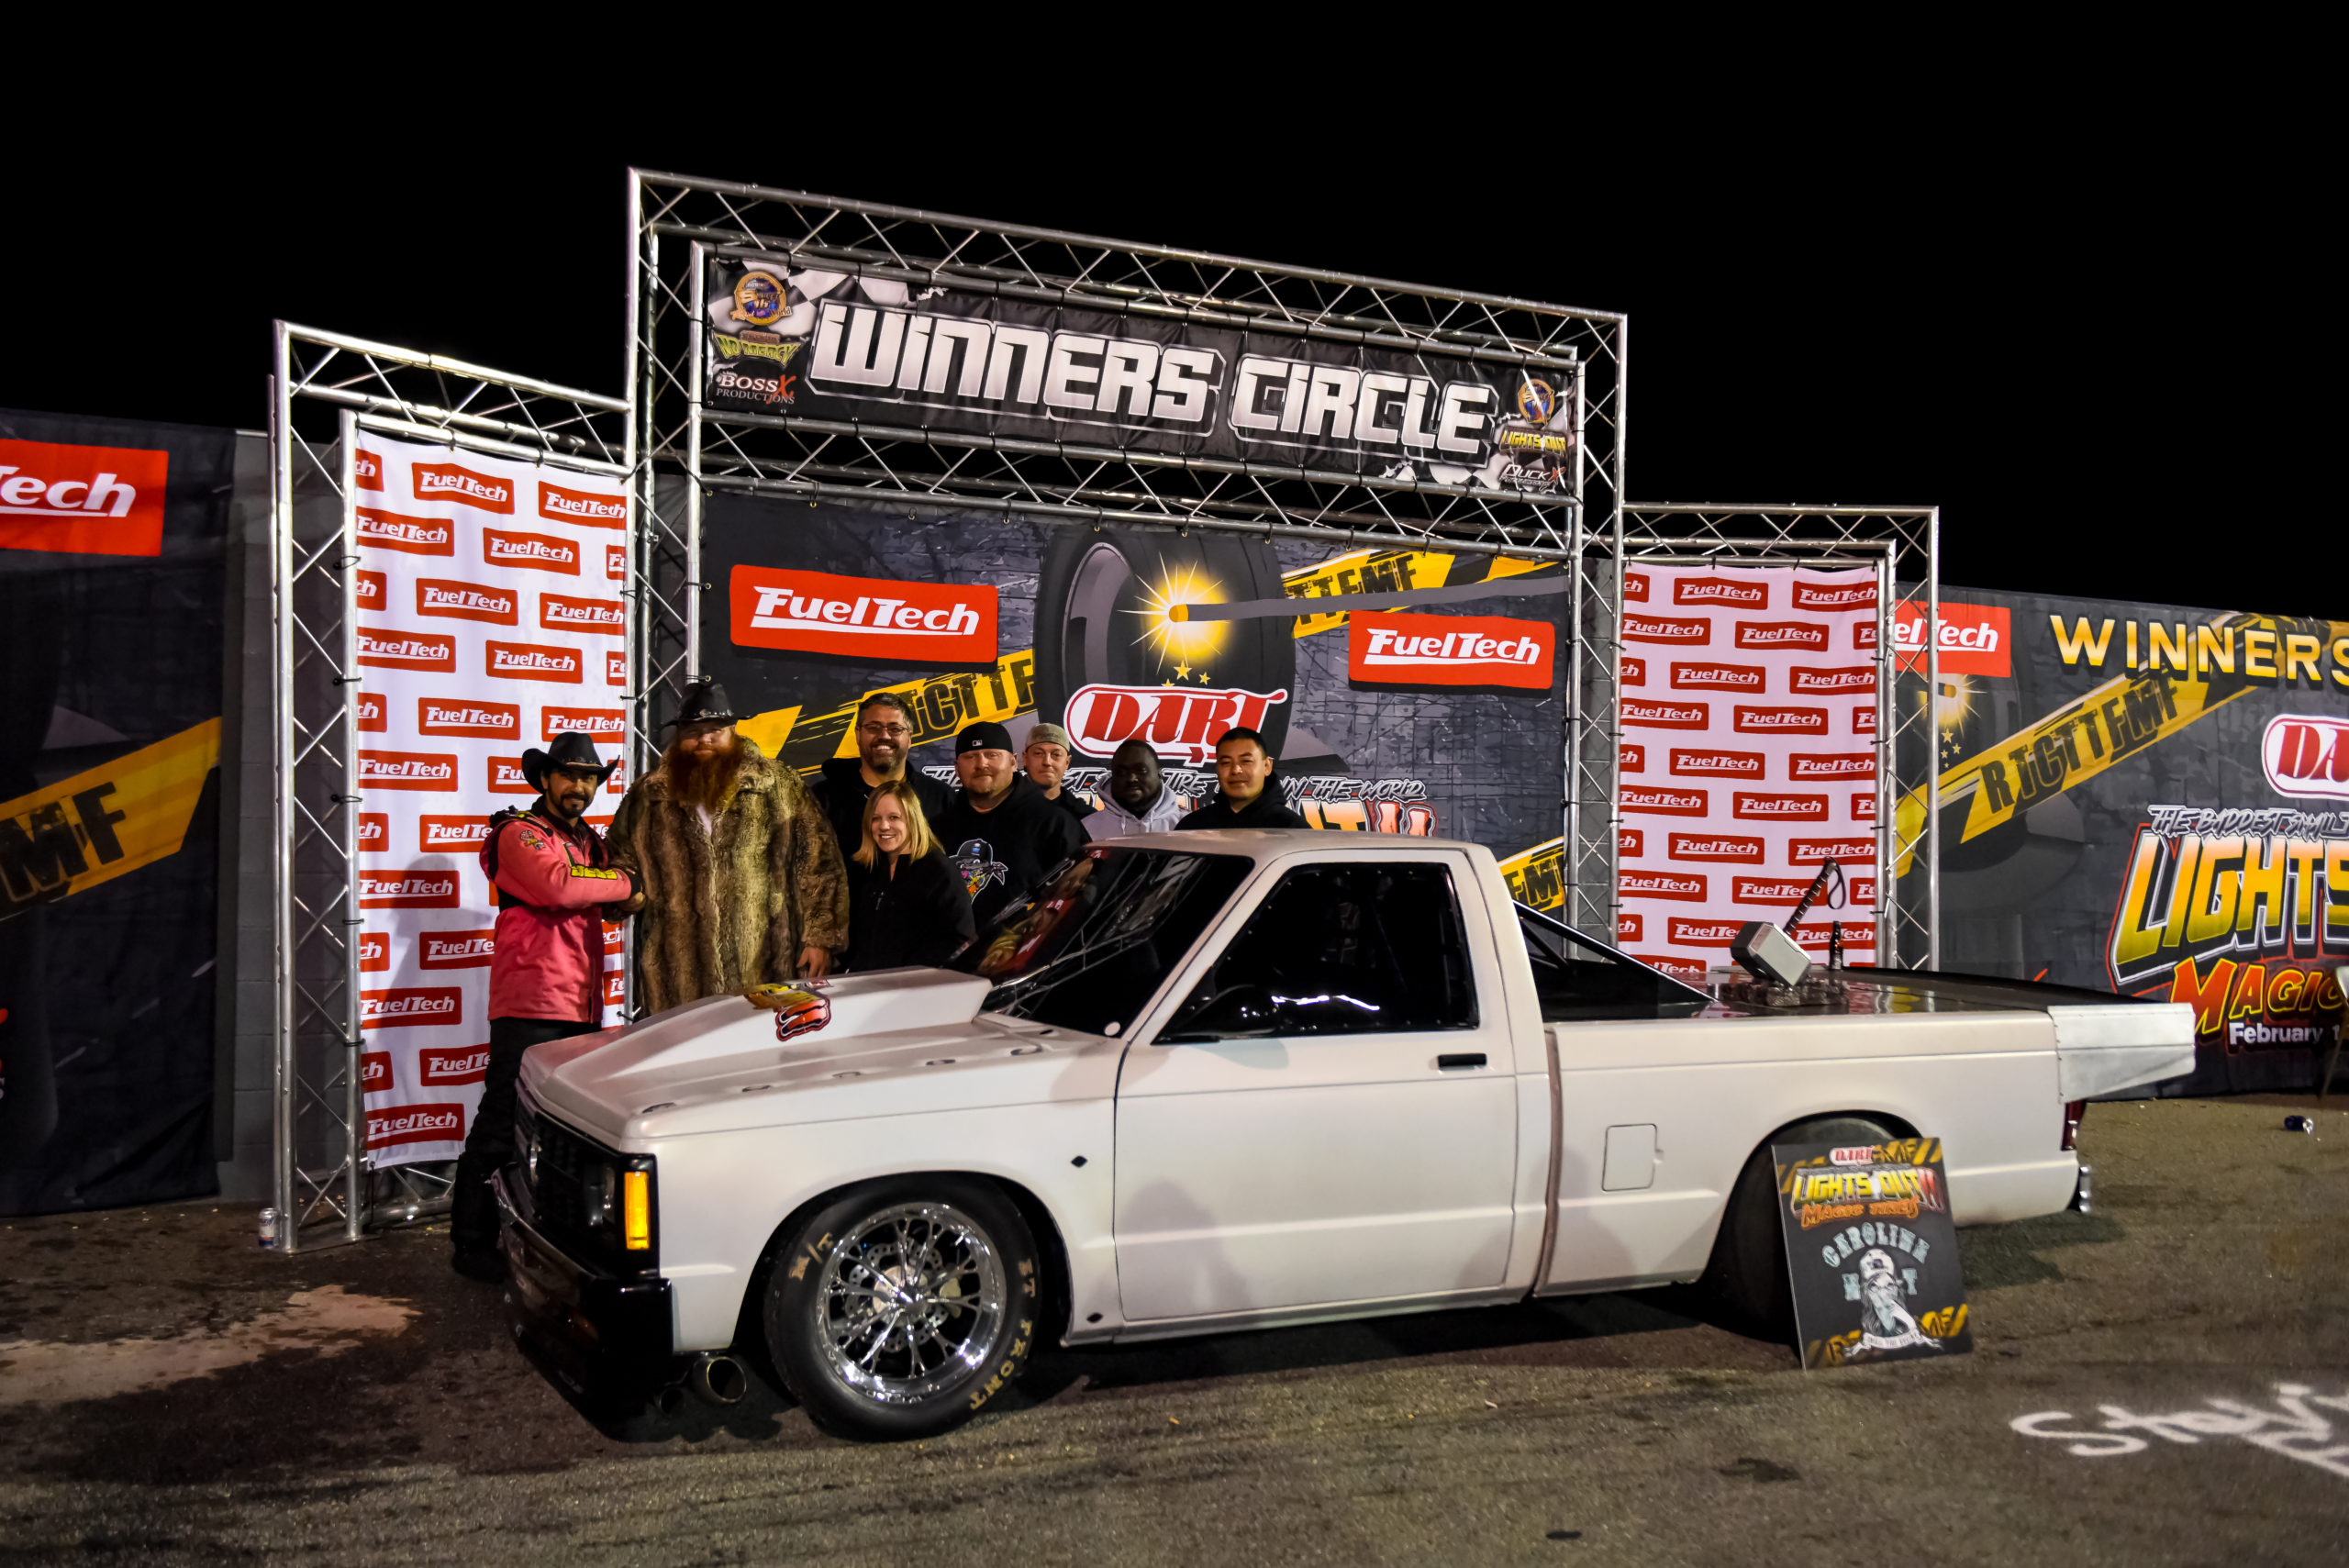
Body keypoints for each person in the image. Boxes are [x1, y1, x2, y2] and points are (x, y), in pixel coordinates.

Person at [451, 732, 633, 1281]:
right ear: (546, 779)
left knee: (562, 1134)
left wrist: (616, 887)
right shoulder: (519, 832)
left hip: (581, 1005)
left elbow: (610, 904)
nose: (580, 786)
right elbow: (559, 887)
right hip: (530, 1004)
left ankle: (548, 1239)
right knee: (501, 1123)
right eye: (569, 775)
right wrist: (624, 882)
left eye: (589, 778)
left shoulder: (589, 842)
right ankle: (471, 1244)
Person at [607, 678, 849, 1013]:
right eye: (693, 731)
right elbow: (620, 858)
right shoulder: (648, 795)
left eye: (714, 730)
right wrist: (626, 894)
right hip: (675, 972)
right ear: (679, 735)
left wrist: (820, 939)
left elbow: (820, 863)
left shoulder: (779, 785)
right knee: (682, 1045)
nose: (703, 740)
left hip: (765, 965)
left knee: (760, 1043)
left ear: (733, 731)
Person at [933, 720, 1086, 926]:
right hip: (950, 945)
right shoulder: (937, 829)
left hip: (1027, 945)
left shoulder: (1053, 823)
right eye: (970, 757)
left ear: (1014, 762)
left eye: (992, 755)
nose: (981, 764)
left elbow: (1078, 904)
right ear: (957, 768)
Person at [845, 777, 976, 971]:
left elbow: (961, 939)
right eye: (876, 818)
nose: (883, 826)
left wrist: (911, 974)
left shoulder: (939, 871)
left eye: (894, 817)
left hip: (919, 986)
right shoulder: (871, 870)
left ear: (912, 820)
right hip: (871, 984)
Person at [812, 692, 953, 866]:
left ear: (909, 738)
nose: (884, 736)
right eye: (873, 727)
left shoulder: (940, 798)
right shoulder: (821, 800)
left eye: (895, 729)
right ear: (858, 734)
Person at [1175, 727, 1310, 830]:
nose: (1236, 770)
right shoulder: (1192, 826)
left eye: (1246, 761)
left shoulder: (1293, 829)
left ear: (1267, 766)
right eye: (1226, 763)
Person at [1085, 738, 1186, 840]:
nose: (1131, 778)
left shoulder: (1188, 826)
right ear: (1113, 778)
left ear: (1159, 775)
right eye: (1121, 772)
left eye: (1141, 770)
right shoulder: (1086, 829)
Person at [1022, 722, 1096, 826]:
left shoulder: (1086, 818)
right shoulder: (1001, 807)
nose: (1047, 762)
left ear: (1067, 762)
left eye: (1056, 754)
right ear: (1025, 758)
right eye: (1038, 753)